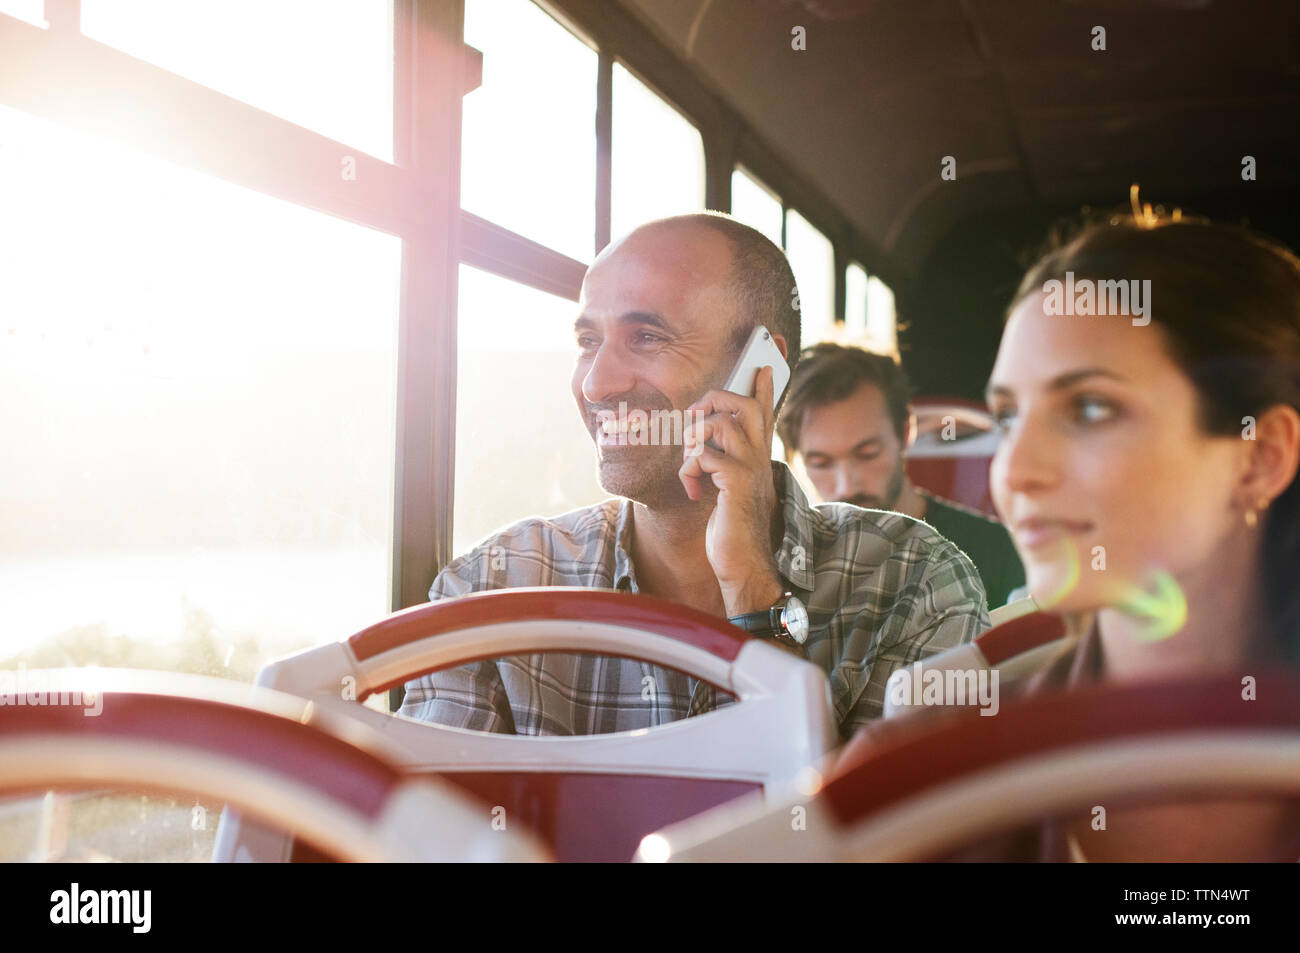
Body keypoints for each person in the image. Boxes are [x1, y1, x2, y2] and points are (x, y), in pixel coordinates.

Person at [399, 213, 989, 741]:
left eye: (647, 337)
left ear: (763, 369)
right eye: (588, 341)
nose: (596, 384)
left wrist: (757, 599)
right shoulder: (491, 587)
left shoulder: (915, 583)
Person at [854, 212, 1300, 860]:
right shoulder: (913, 777)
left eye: (1089, 408)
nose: (1014, 470)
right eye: (1009, 417)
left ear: (1260, 457)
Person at [777, 342, 1025, 609]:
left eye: (868, 453)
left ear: (906, 432)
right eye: (821, 463)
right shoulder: (791, 565)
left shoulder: (1002, 554)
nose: (846, 485)